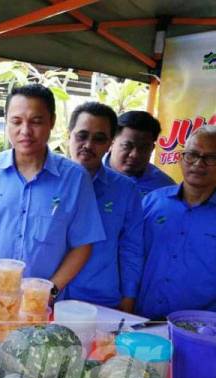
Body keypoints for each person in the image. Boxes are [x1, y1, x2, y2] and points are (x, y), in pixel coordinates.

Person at [0, 84, 105, 331]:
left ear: (52, 122)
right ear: (6, 122)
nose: (25, 130)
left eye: (36, 121)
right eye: (16, 121)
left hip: (41, 316)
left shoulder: (74, 179)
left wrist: (49, 292)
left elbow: (82, 245)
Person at [65, 102, 144, 312]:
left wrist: (128, 298)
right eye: (82, 135)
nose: (88, 145)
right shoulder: (45, 183)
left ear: (110, 142)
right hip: (47, 298)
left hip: (99, 301)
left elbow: (131, 249)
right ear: (69, 135)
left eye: (99, 139)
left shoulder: (126, 191)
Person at [136, 125, 216, 320]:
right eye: (192, 154)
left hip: (200, 330)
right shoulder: (152, 202)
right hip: (140, 319)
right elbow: (130, 255)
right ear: (181, 158)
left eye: (211, 158)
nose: (198, 163)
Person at [104, 110, 175, 196]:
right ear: (111, 142)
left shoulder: (164, 189)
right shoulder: (89, 174)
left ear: (152, 149)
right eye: (127, 146)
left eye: (143, 148)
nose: (135, 155)